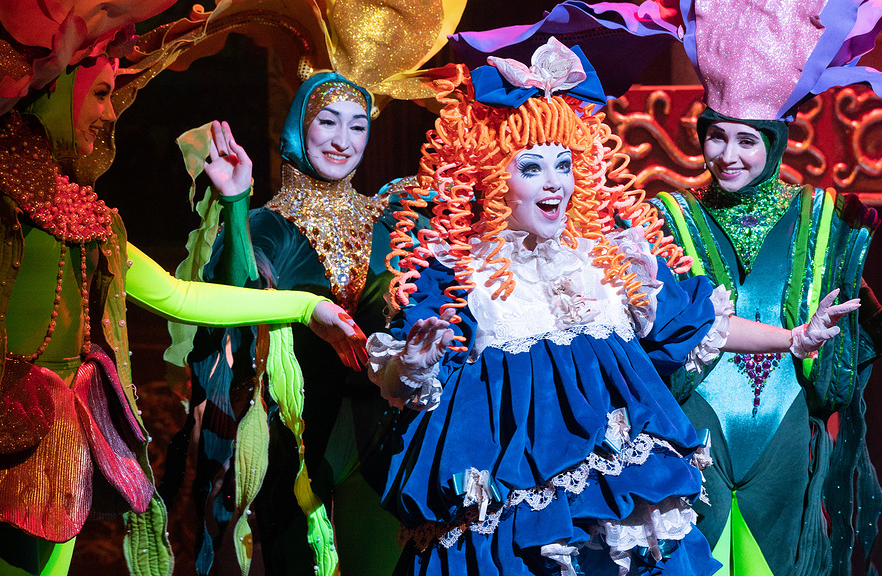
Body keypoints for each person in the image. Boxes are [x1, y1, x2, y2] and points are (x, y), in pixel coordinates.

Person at [365, 39, 857, 576]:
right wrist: (412, 363)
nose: (554, 183)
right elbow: (403, 380)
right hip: (515, 505)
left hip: (609, 501)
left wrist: (793, 339)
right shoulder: (461, 272)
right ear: (491, 175)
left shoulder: (611, 260)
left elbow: (695, 323)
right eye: (531, 168)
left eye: (564, 165)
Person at [0, 53, 366, 576]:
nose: (111, 114)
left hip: (65, 443)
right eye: (101, 93)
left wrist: (307, 307)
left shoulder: (88, 216)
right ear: (49, 87)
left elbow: (179, 297)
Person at [649, 109, 882, 576]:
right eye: (716, 137)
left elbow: (865, 316)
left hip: (779, 441)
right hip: (696, 436)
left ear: (775, 144)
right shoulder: (667, 220)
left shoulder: (821, 218)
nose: (728, 155)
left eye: (747, 141)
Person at [165, 72, 411, 575]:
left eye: (358, 126)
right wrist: (235, 202)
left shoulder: (393, 222)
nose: (343, 140)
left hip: (382, 437)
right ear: (300, 127)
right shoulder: (268, 225)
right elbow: (236, 294)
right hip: (294, 438)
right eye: (328, 122)